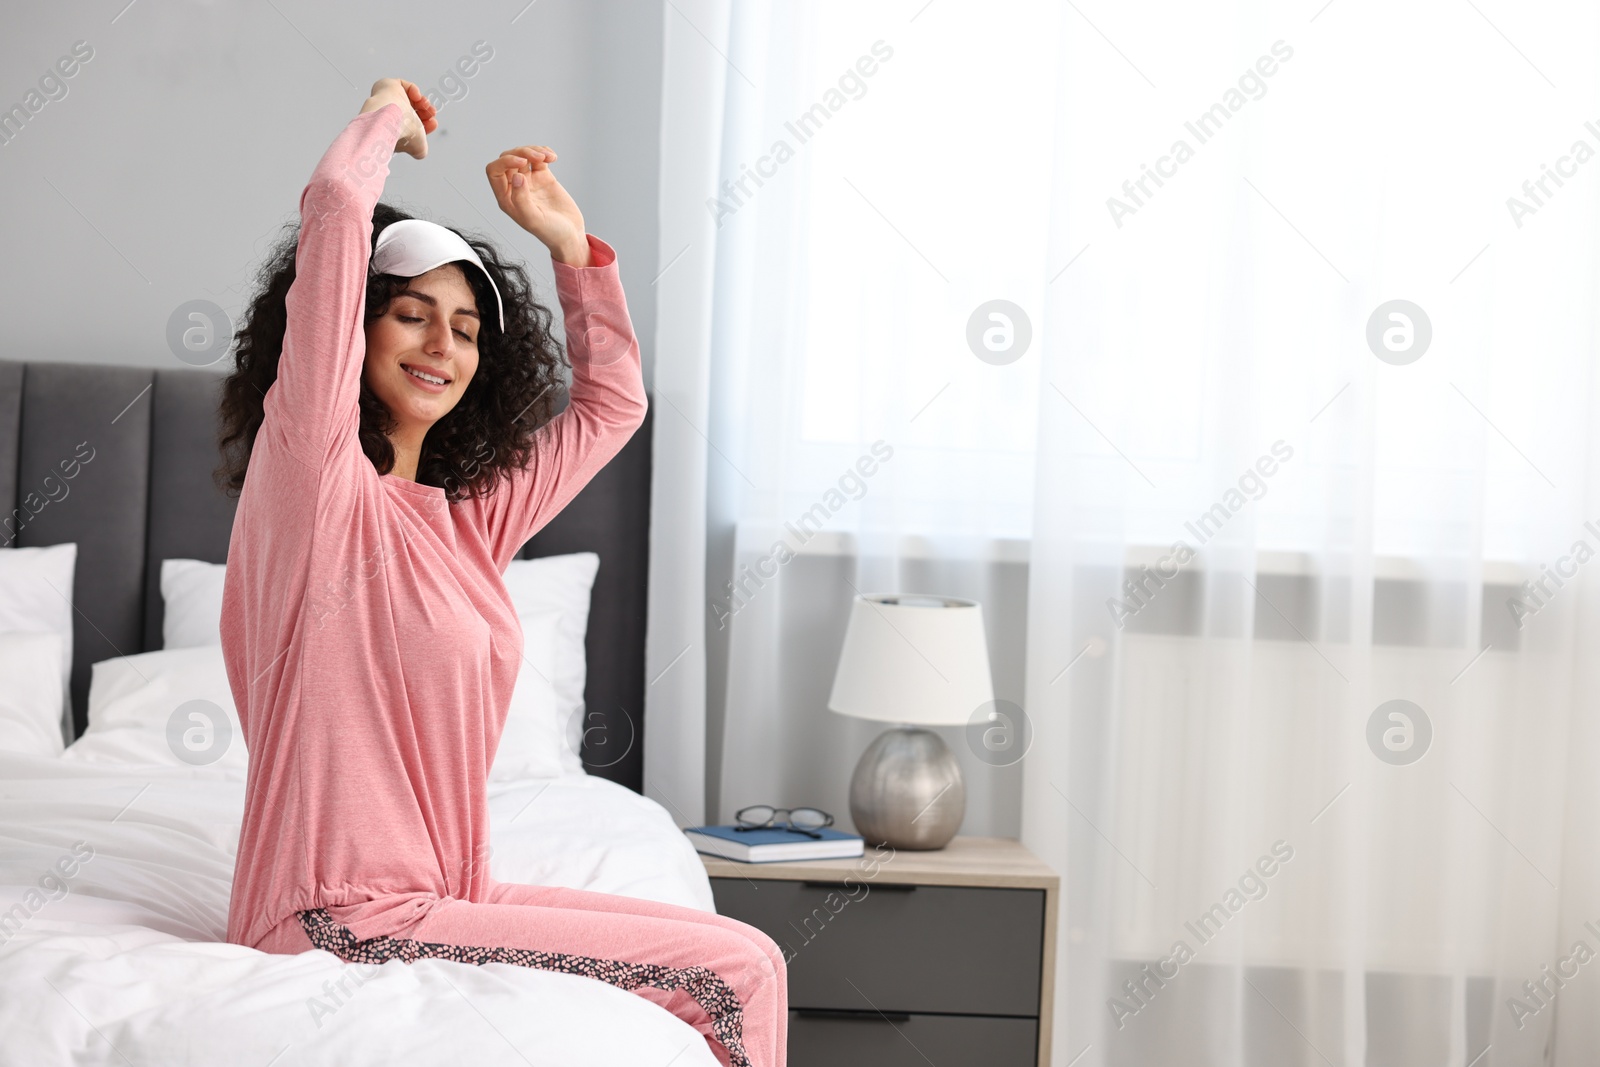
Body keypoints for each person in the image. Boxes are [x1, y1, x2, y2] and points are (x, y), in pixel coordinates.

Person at [214, 77, 786, 1067]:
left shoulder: (464, 524)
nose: (443, 344)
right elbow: (338, 217)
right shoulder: (311, 482)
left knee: (746, 953)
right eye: (411, 315)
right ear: (352, 331)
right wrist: (383, 117)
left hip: (439, 899)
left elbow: (611, 407)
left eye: (468, 329)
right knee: (735, 974)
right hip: (331, 910)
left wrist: (573, 254)